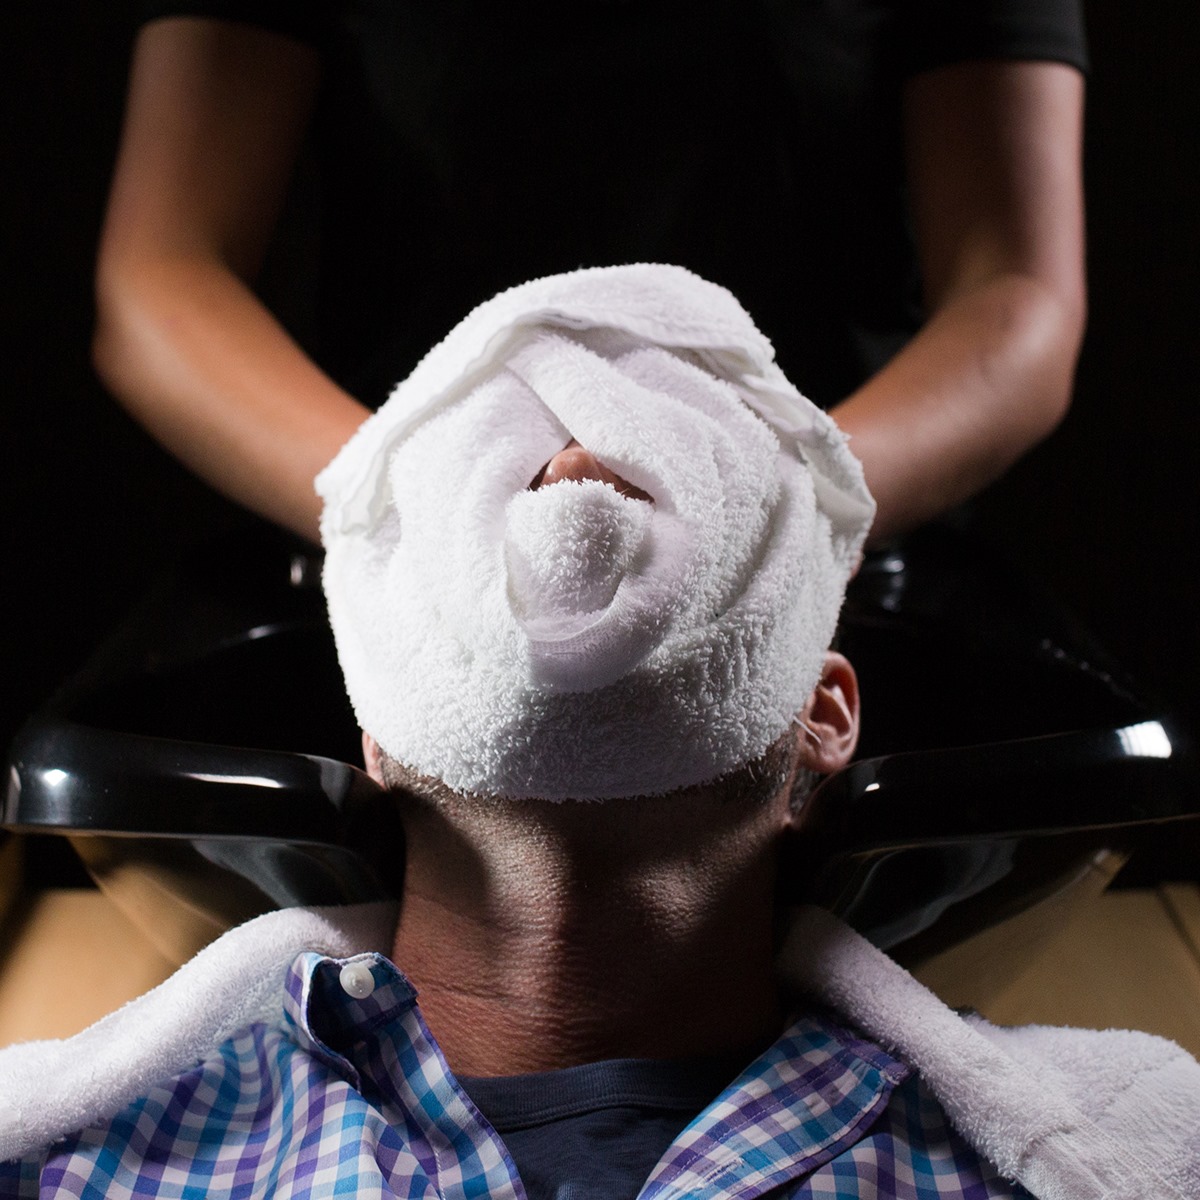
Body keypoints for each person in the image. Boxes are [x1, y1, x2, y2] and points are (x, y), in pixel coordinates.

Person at [1, 267, 1196, 1200]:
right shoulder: (84, 1160)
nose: (577, 463)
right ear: (374, 719)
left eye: (672, 449)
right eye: (508, 459)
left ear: (823, 715)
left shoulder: (1099, 1156)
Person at [91, 2, 1087, 546]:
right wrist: (414, 504)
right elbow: (163, 274)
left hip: (845, 564)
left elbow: (1013, 295)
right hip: (390, 560)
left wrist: (789, 507)